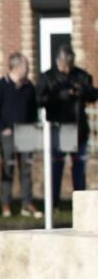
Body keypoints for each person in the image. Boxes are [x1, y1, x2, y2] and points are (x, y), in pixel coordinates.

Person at [37, 45, 96, 202]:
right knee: (56, 166)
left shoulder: (81, 76)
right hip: (59, 128)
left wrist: (83, 91)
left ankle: (80, 201)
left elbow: (93, 95)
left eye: (70, 65)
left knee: (79, 167)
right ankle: (53, 201)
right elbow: (39, 99)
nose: (67, 69)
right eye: (64, 66)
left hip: (78, 128)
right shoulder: (48, 77)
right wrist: (58, 96)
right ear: (58, 62)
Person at [0, 53, 40, 218]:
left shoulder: (29, 87)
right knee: (8, 168)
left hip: (26, 132)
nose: (29, 69)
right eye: (26, 66)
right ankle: (6, 204)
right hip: (8, 133)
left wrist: (32, 127)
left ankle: (27, 203)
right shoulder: (1, 86)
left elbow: (33, 110)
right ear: (16, 67)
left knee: (26, 169)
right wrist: (3, 128)